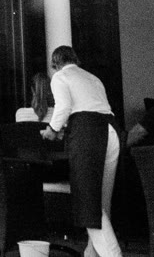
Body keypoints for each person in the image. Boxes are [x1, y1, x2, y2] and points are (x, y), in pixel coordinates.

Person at [42, 45, 121, 257]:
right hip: (111, 130)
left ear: (55, 63)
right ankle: (91, 253)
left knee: (88, 201)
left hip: (89, 134)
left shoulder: (60, 77)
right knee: (102, 200)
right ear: (74, 59)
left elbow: (64, 107)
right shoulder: (93, 78)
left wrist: (52, 130)